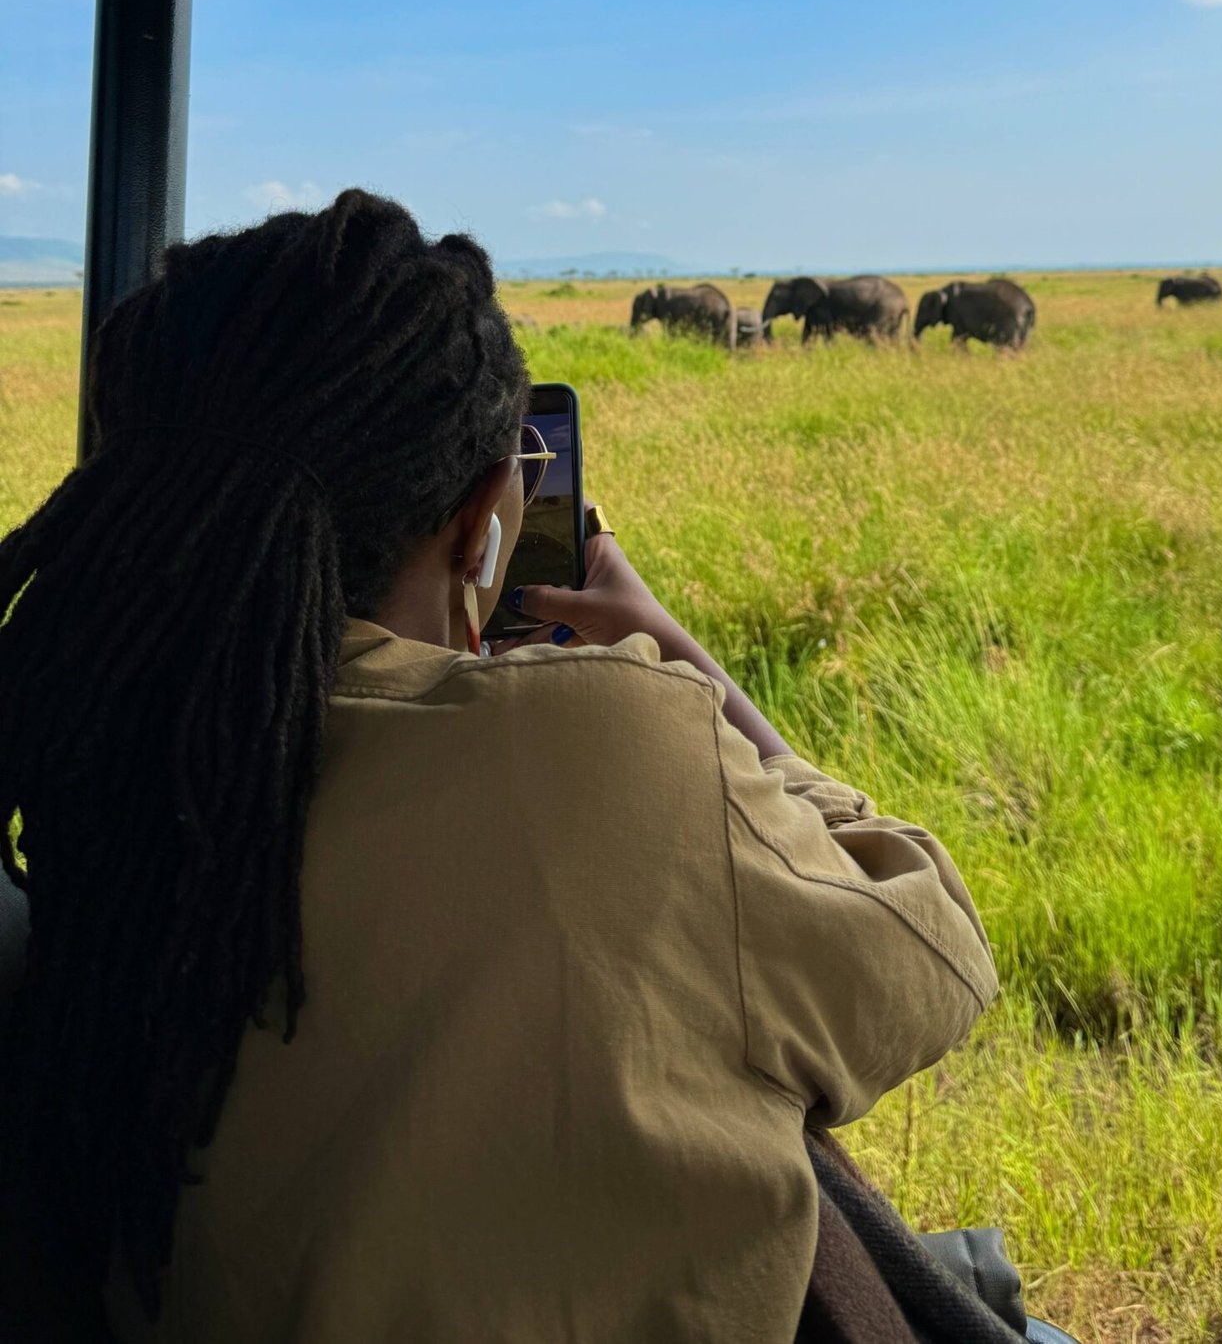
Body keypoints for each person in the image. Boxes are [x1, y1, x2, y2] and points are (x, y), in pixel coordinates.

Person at [0, 190, 997, 1343]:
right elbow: (930, 952)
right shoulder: (599, 745)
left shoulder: (88, 750)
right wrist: (683, 666)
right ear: (484, 516)